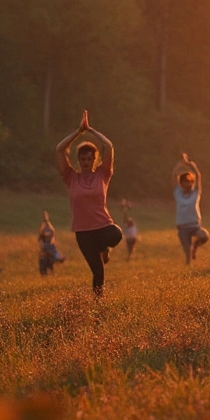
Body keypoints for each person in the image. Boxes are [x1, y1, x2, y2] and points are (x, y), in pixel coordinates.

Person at [55, 110, 122, 296]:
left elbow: (108, 146)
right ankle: (97, 305)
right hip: (83, 232)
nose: (85, 162)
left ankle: (104, 248)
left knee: (116, 234)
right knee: (98, 272)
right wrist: (78, 132)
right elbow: (60, 149)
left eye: (89, 159)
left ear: (95, 160)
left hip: (103, 227)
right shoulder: (70, 177)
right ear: (78, 160)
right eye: (82, 159)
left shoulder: (103, 174)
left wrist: (90, 130)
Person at [173, 154, 210, 265]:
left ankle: (195, 247)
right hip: (182, 226)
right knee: (187, 256)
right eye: (185, 181)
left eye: (190, 181)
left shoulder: (195, 193)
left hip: (194, 225)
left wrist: (190, 165)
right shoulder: (177, 193)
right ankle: (187, 267)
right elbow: (174, 175)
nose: (188, 183)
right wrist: (179, 166)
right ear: (182, 183)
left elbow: (198, 175)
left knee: (204, 236)